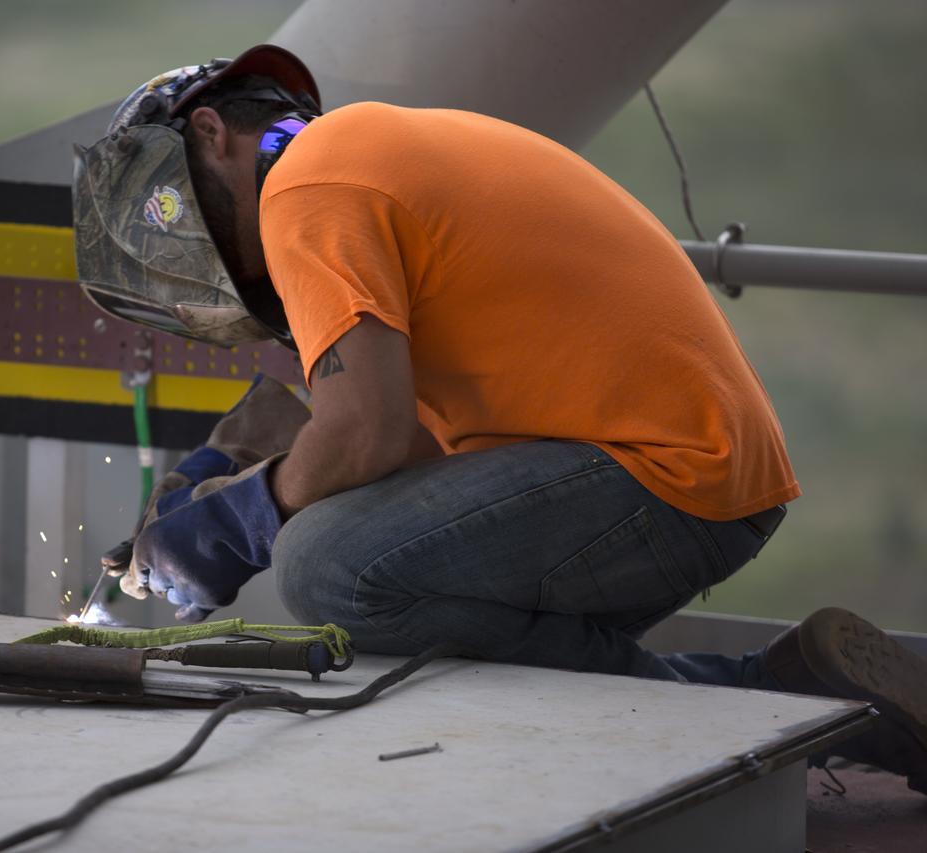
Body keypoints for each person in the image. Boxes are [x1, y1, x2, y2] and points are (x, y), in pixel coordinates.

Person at [72, 45, 926, 791]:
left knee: (327, 570)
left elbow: (364, 433)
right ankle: (809, 694)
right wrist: (212, 481)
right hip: (677, 465)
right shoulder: (357, 156)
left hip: (664, 475)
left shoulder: (305, 186)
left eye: (170, 221)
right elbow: (392, 443)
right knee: (397, 643)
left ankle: (766, 702)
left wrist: (237, 523)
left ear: (213, 134)